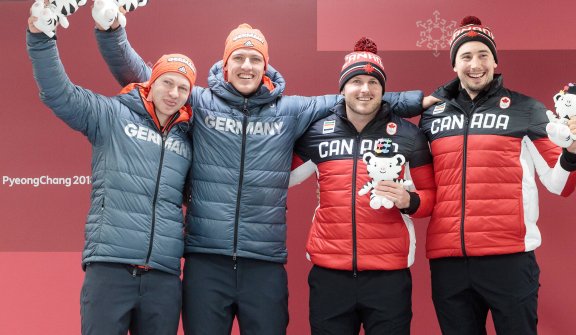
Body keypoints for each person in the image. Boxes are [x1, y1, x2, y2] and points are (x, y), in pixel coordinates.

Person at [94, 15, 432, 335]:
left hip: (264, 263)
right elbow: (138, 75)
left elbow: (358, 97)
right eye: (238, 58)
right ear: (226, 65)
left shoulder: (290, 109)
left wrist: (418, 101)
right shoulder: (199, 101)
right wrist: (111, 32)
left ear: (266, 66)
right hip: (206, 261)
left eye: (255, 59)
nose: (247, 66)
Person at [27, 13, 196, 335]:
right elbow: (58, 94)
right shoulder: (111, 115)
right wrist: (40, 39)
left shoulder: (189, 137)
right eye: (167, 82)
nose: (173, 93)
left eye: (183, 87)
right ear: (151, 83)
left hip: (163, 276)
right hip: (110, 269)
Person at [419, 16, 576, 335]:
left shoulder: (527, 109)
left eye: (483, 55)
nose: (475, 64)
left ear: (494, 60)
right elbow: (418, 182)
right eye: (465, 56)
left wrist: (571, 151)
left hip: (509, 259)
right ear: (455, 65)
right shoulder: (431, 117)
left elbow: (559, 184)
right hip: (448, 262)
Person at [290, 38, 436, 335]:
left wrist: (409, 200)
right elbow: (281, 178)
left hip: (388, 275)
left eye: (373, 82)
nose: (365, 89)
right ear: (342, 88)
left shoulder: (408, 135)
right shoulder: (317, 132)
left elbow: (431, 198)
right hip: (330, 273)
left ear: (384, 90)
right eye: (356, 81)